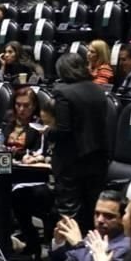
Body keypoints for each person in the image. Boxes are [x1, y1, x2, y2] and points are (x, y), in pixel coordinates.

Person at [20, 191, 131, 261]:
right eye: (97, 214)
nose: (100, 220)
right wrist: (59, 243)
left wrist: (79, 245)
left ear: (123, 218)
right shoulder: (96, 234)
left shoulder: (124, 247)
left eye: (108, 216)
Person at [49, 53, 110, 235]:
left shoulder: (62, 92)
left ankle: (70, 254)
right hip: (98, 157)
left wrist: (46, 131)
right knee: (92, 208)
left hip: (72, 159)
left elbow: (63, 131)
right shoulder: (99, 90)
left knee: (70, 210)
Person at [2, 87, 43, 160]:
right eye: (18, 105)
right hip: (4, 161)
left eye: (26, 105)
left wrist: (17, 153)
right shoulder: (8, 119)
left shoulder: (39, 124)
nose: (21, 109)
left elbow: (38, 151)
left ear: (34, 106)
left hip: (26, 165)